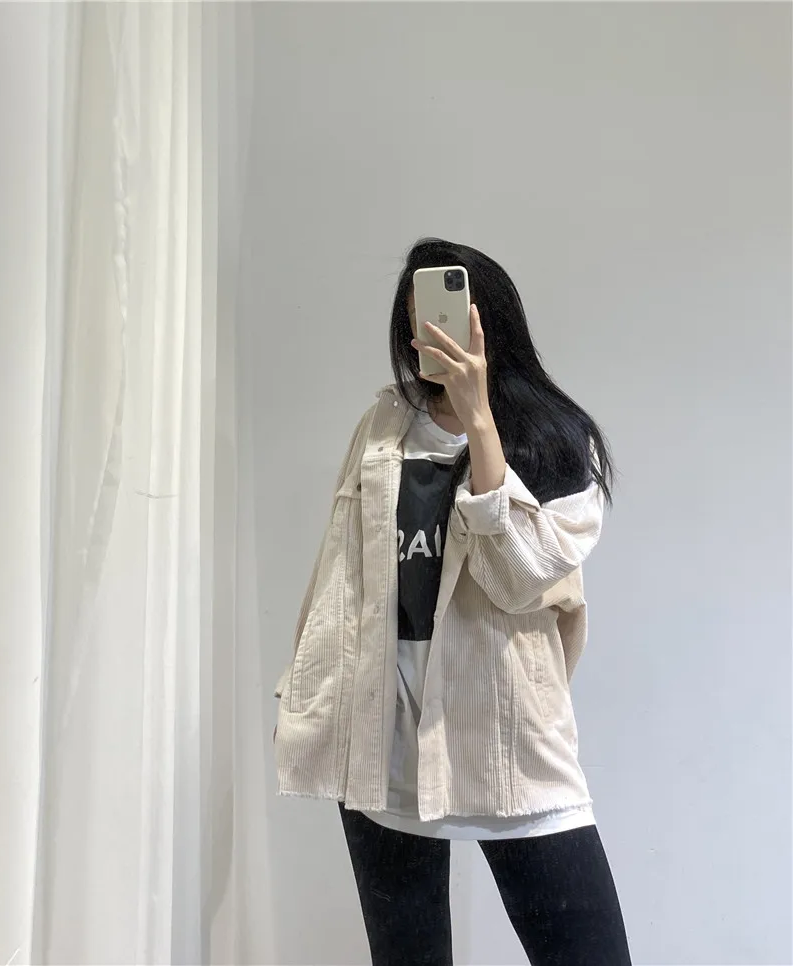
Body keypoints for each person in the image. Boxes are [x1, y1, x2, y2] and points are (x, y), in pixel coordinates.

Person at [274, 238, 631, 966]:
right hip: (385, 745)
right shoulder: (382, 426)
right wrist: (305, 689)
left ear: (485, 318)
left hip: (510, 743)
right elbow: (340, 574)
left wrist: (480, 422)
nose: (425, 335)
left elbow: (520, 579)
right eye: (414, 320)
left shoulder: (559, 441)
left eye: (442, 312)